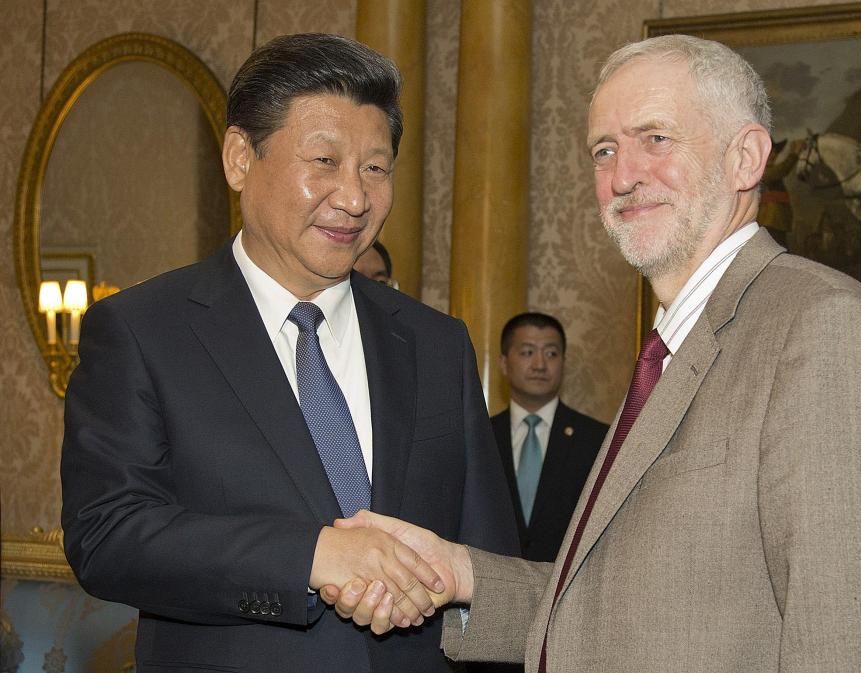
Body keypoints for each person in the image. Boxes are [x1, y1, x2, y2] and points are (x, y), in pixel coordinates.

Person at [323, 34, 861, 672]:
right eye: (604, 150)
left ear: (746, 158)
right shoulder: (676, 345)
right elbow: (626, 609)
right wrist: (459, 574)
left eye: (657, 139)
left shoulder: (822, 326)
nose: (622, 177)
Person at [60, 33, 518, 673]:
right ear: (240, 159)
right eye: (324, 162)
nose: (355, 199)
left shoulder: (437, 343)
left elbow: (491, 557)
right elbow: (108, 535)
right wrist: (311, 555)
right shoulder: (142, 331)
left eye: (376, 168)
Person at [492, 312, 608, 561]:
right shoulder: (481, 437)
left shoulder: (597, 440)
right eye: (527, 352)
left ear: (563, 362)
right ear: (503, 363)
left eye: (551, 353)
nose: (540, 365)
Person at [757, 138, 802, 248]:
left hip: (777, 222)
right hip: (770, 222)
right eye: (771, 152)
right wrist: (794, 154)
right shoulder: (763, 172)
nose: (774, 155)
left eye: (775, 152)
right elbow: (781, 170)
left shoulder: (768, 170)